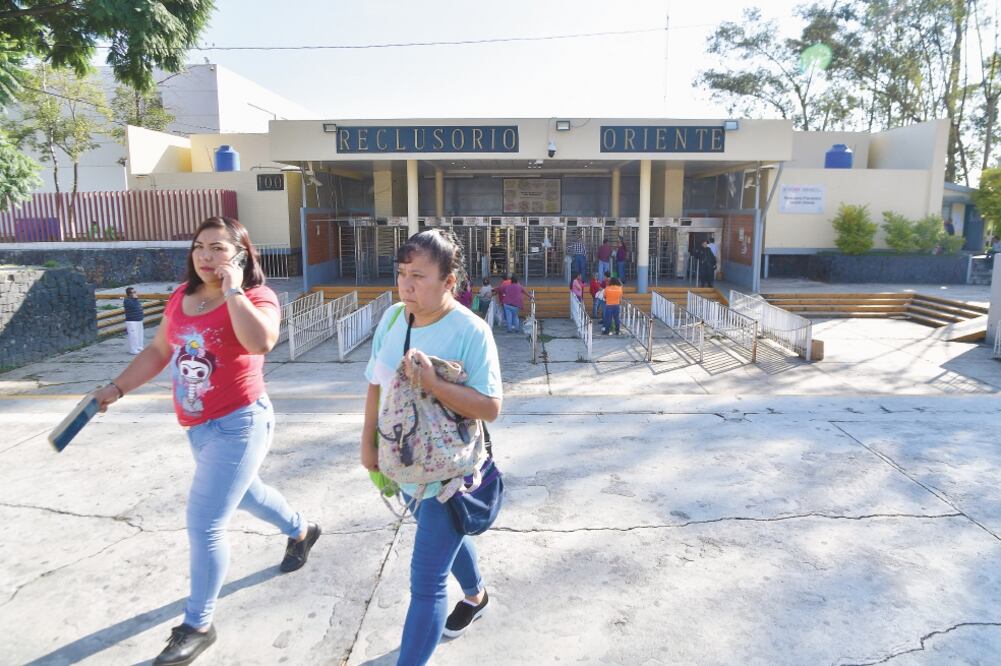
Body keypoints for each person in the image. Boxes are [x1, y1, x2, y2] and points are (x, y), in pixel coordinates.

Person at [92, 217, 321, 666]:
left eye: (218, 248)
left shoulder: (256, 297)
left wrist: (233, 290)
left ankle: (198, 624)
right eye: (200, 246)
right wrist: (115, 388)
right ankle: (301, 528)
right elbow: (159, 351)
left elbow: (261, 342)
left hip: (240, 423)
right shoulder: (182, 296)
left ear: (240, 254)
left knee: (205, 522)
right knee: (250, 495)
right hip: (197, 426)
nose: (206, 256)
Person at [361, 229, 502, 665]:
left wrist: (435, 385)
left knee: (426, 582)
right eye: (402, 274)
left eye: (419, 276)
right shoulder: (392, 319)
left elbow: (491, 407)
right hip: (402, 466)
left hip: (449, 475)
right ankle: (477, 595)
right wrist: (368, 443)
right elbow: (375, 385)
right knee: (446, 538)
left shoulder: (470, 331)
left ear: (449, 282)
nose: (407, 285)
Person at [123, 287, 145, 355]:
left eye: (135, 291)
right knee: (133, 335)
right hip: (132, 321)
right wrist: (135, 299)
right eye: (134, 292)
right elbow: (133, 306)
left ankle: (139, 347)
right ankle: (133, 349)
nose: (136, 293)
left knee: (139, 334)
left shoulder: (135, 300)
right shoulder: (127, 301)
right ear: (130, 294)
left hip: (138, 320)